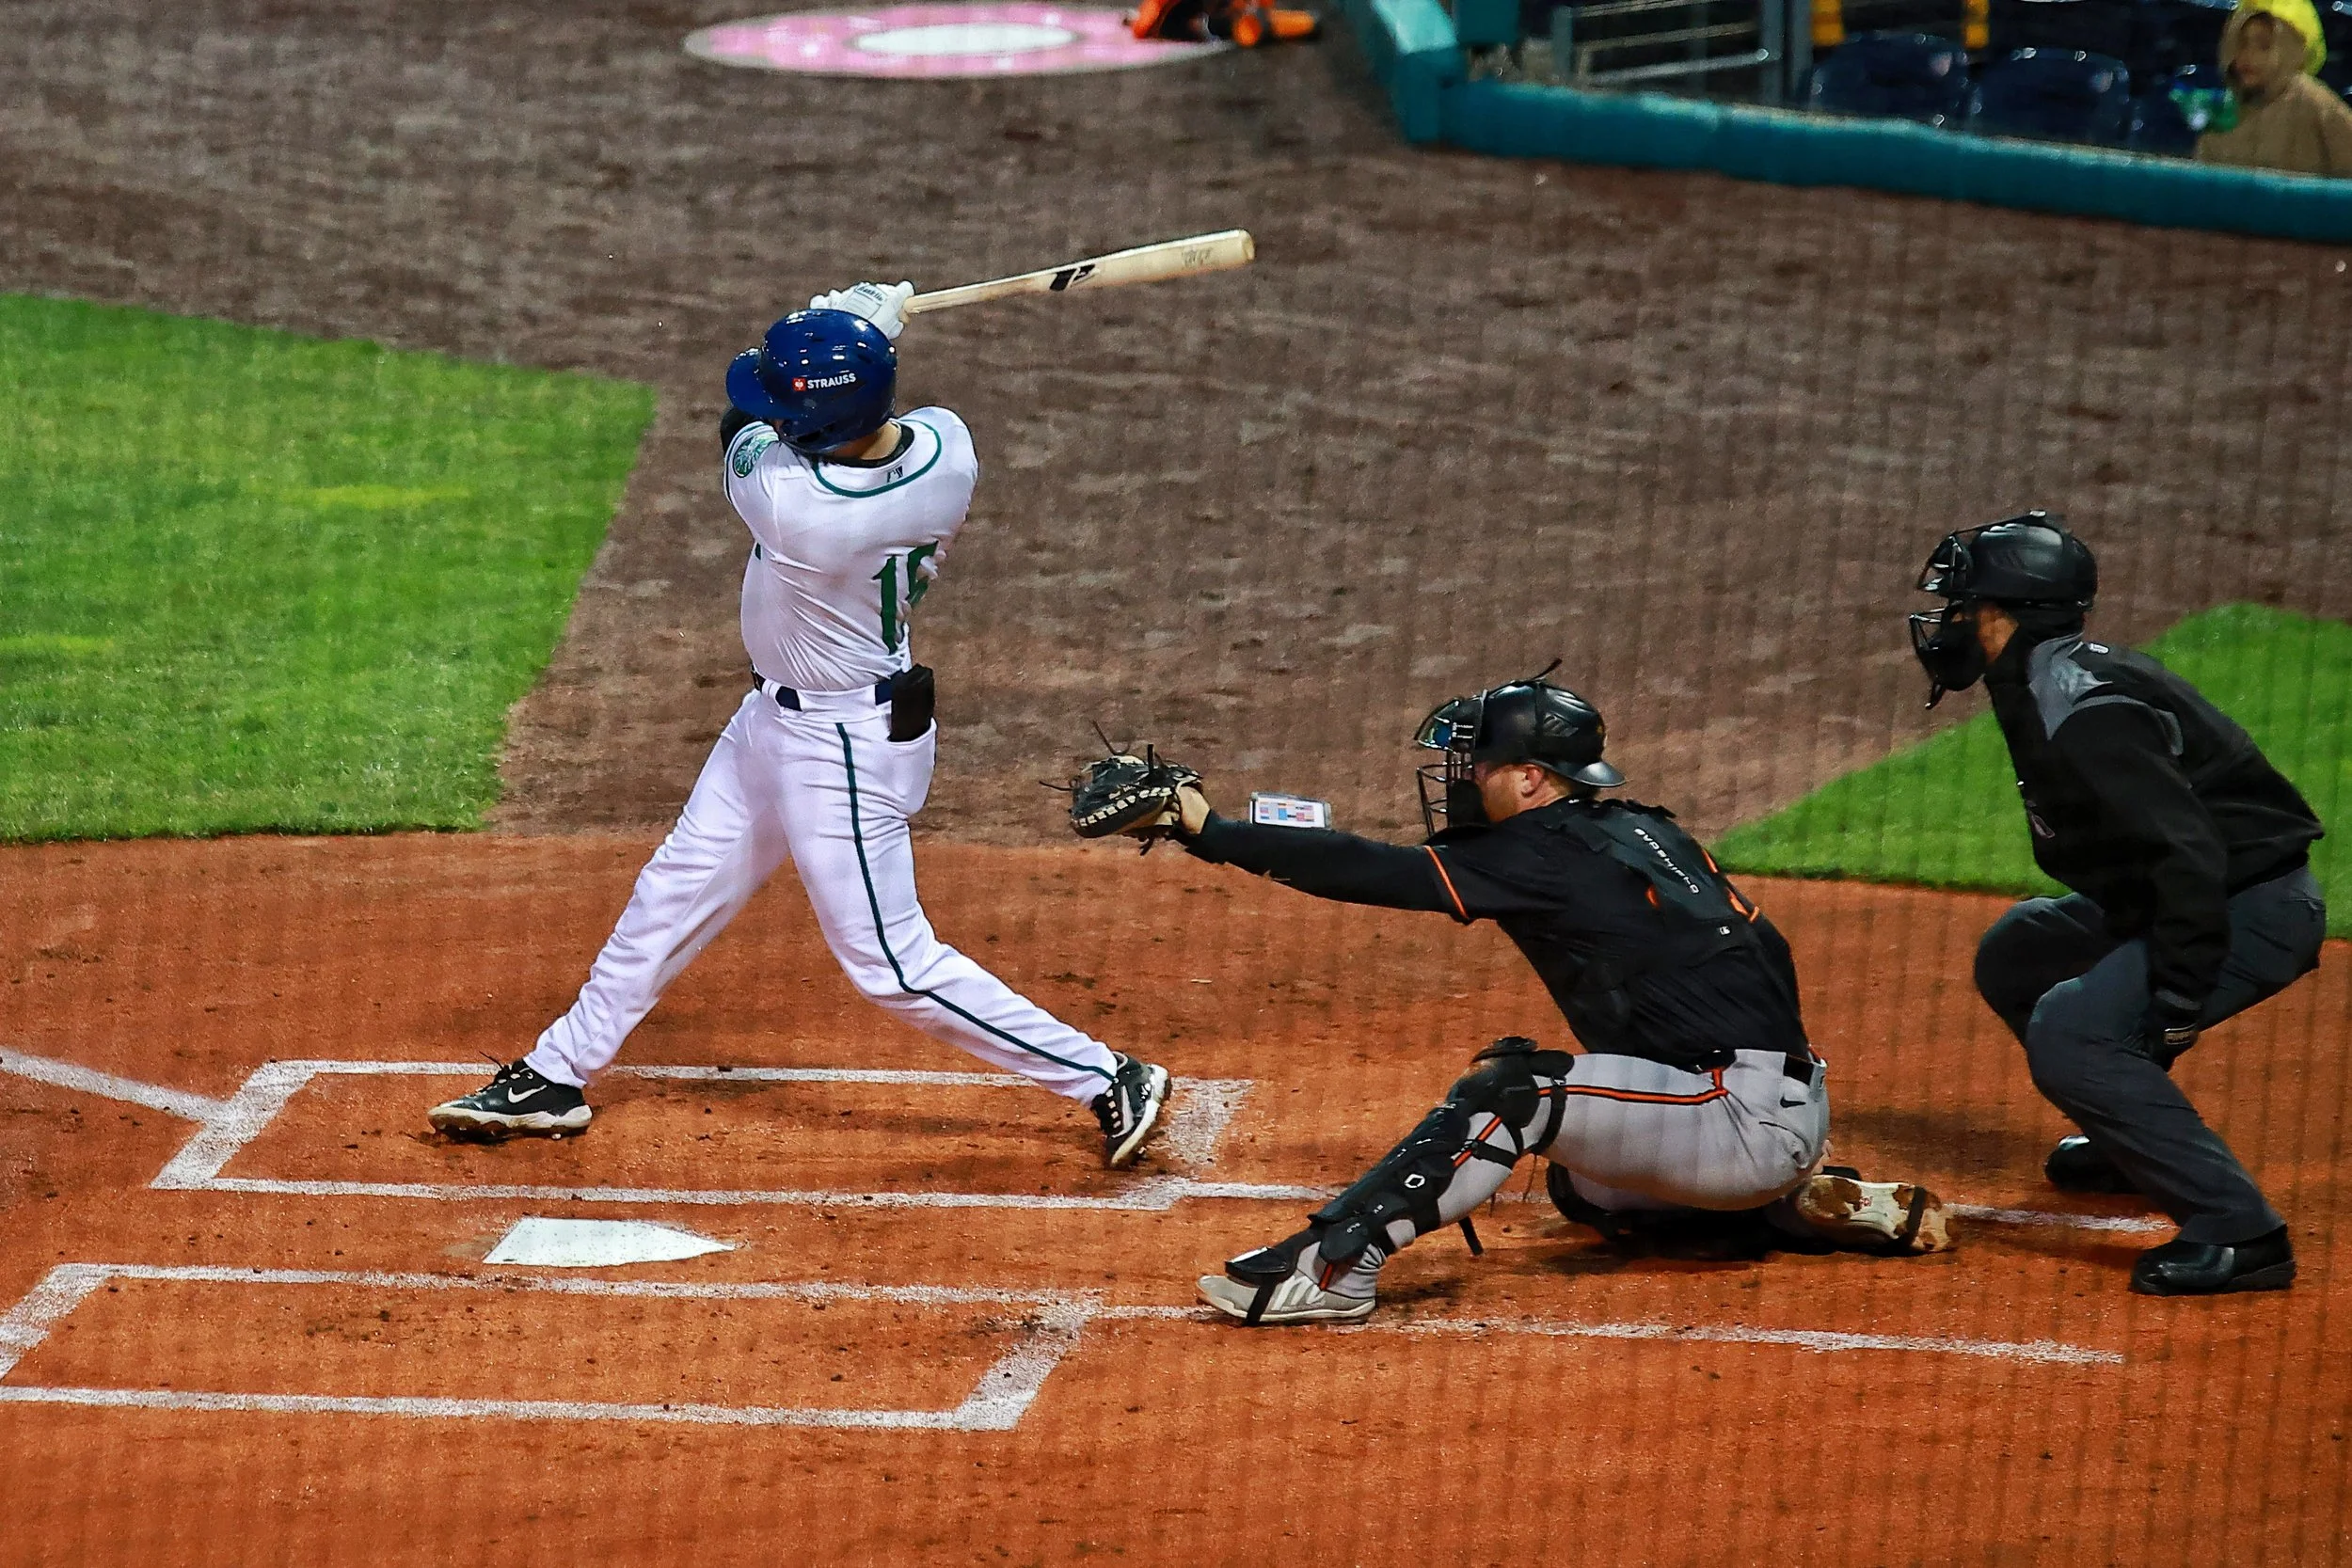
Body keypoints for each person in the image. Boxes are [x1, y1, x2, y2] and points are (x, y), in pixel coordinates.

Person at [428, 284, 1172, 1168]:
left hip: (844, 749)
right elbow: (848, 407)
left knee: (890, 964)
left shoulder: (793, 506)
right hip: (775, 722)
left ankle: (1104, 1073)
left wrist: (861, 323)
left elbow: (732, 422)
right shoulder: (949, 448)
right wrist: (858, 344)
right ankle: (558, 1072)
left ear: (814, 429)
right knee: (676, 887)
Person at [1099, 675, 1951, 1327]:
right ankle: (1788, 1206)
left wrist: (1205, 828)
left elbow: (1372, 870)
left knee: (1512, 1096)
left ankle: (1327, 1272)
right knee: (1586, 1185)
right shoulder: (1634, 831)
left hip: (1736, 1116)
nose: (1461, 780)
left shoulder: (1541, 852)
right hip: (1771, 1100)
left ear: (1534, 780)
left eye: (1478, 765)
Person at [1909, 514, 2327, 1294]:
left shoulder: (2082, 705)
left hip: (2248, 909)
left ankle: (2242, 1234)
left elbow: (2191, 853)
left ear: (2005, 612)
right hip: (2194, 895)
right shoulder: (2033, 675)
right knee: (2021, 948)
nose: (1949, 621)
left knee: (2075, 1032)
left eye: (1964, 604)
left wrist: (2178, 988)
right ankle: (2130, 1142)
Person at [2194, 0, 2352, 178]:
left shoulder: (2318, 106)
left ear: (2291, 51)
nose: (2249, 56)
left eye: (2264, 46)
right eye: (2242, 43)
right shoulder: (2224, 111)